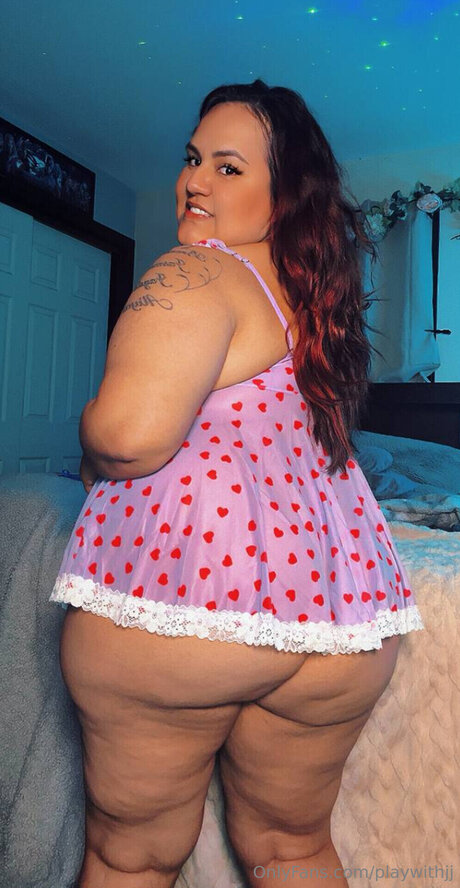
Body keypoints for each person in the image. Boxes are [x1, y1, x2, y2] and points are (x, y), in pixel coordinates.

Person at [49, 79, 425, 888]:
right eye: (193, 160)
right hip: (344, 622)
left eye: (228, 167)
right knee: (291, 848)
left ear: (284, 194)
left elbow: (127, 436)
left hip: (197, 608)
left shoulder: (197, 271)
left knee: (131, 855)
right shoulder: (312, 310)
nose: (193, 181)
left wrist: (88, 431)